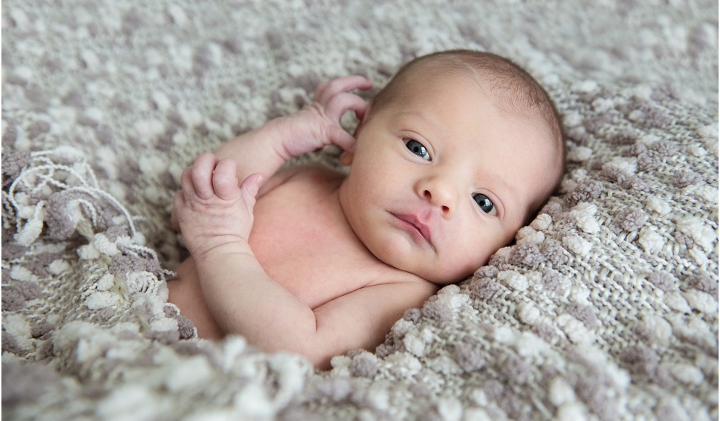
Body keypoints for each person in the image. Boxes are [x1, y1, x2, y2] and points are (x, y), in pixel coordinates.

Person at [167, 49, 566, 369]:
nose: (441, 191)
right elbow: (198, 202)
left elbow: (298, 350)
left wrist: (220, 246)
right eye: (418, 148)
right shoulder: (305, 178)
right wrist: (280, 142)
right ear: (359, 134)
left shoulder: (401, 292)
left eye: (484, 202)